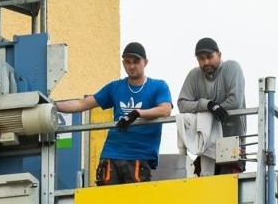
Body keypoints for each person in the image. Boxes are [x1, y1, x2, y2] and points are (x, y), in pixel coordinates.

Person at [55, 42, 172, 185]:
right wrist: (52, 106)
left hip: (139, 155)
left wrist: (138, 113)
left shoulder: (158, 86)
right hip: (111, 154)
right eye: (127, 62)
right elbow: (82, 104)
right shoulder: (115, 87)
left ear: (145, 62)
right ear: (123, 63)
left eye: (136, 61)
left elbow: (165, 109)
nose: (132, 66)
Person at [177, 37, 246, 174]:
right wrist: (207, 105)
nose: (206, 62)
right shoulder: (194, 75)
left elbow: (235, 102)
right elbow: (182, 104)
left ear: (219, 55)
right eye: (201, 59)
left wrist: (211, 108)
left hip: (231, 142)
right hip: (206, 145)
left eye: (209, 57)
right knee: (200, 186)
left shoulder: (231, 67)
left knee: (226, 187)